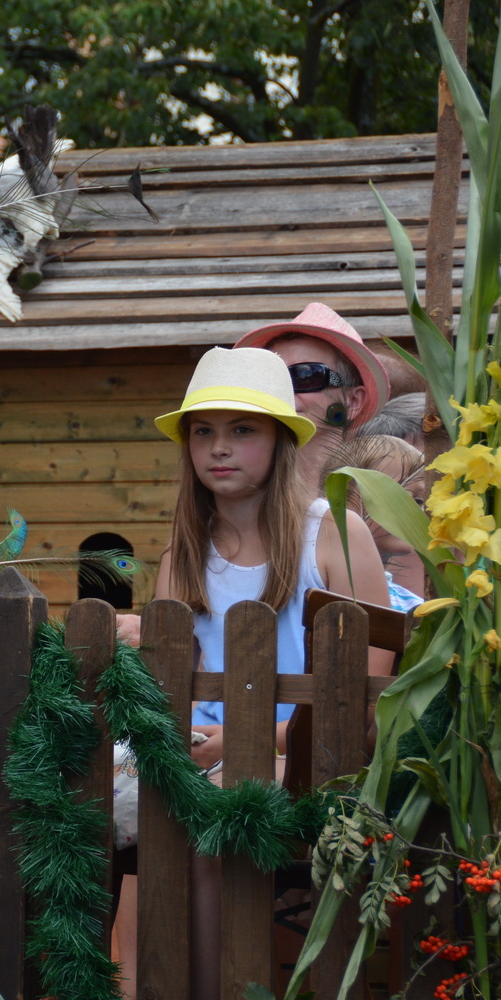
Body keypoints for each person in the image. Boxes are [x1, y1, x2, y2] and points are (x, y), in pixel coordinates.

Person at [154, 346, 393, 764]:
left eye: (243, 430)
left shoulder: (335, 533)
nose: (219, 448)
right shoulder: (182, 554)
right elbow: (166, 689)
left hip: (317, 767)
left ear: (280, 440)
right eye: (203, 431)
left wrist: (246, 738)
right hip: (203, 757)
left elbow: (365, 701)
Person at [234, 302, 390, 497]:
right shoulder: (234, 499)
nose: (283, 390)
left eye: (306, 376)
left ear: (353, 402)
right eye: (270, 376)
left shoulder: (380, 498)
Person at [325, 434, 430, 612]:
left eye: (419, 501)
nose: (413, 510)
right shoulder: (307, 581)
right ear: (342, 494)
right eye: (395, 493)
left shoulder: (417, 611)